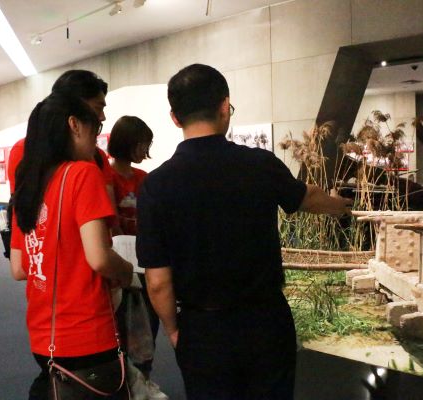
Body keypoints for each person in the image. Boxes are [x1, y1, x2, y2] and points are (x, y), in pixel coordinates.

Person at [136, 63, 352, 400]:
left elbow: (157, 282)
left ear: (175, 118)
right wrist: (341, 205)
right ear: (224, 107)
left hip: (203, 329)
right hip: (265, 322)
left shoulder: (156, 186)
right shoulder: (259, 164)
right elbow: (307, 197)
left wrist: (175, 331)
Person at [10, 92, 133, 399]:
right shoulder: (82, 173)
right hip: (88, 333)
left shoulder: (29, 184)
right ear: (74, 125)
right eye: (95, 129)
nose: (96, 140)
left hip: (44, 335)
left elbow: (19, 267)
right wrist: (126, 270)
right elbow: (99, 258)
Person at [7, 69, 123, 233]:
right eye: (98, 108)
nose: (102, 117)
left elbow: (108, 217)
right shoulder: (22, 151)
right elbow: (22, 211)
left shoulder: (97, 157)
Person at [108, 116, 167, 399]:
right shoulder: (107, 178)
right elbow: (112, 224)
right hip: (120, 266)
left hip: (144, 264)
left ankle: (143, 380)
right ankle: (126, 384)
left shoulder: (144, 178)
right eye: (143, 144)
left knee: (147, 327)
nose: (146, 150)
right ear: (128, 143)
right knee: (123, 328)